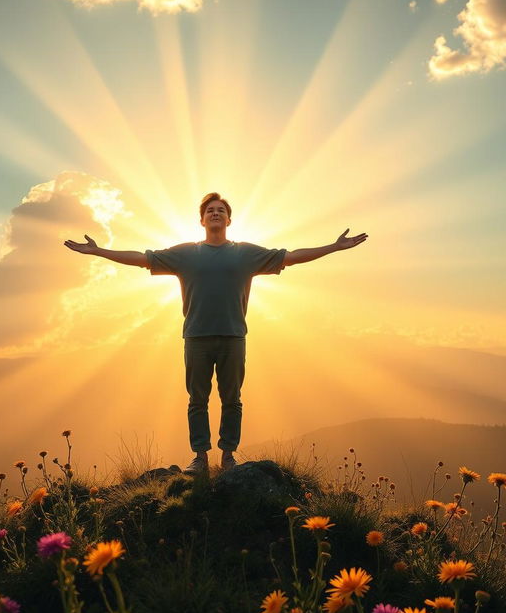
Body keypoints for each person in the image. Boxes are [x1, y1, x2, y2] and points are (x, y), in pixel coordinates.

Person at [64, 192, 368, 475]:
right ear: (202, 220)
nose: (215, 213)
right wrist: (99, 251)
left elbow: (291, 256)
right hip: (196, 337)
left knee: (232, 399)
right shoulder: (185, 254)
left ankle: (228, 456)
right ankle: (200, 457)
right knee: (197, 399)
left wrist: (333, 246)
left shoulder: (246, 254)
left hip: (234, 337)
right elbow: (143, 258)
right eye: (210, 210)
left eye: (221, 211)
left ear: (229, 220)